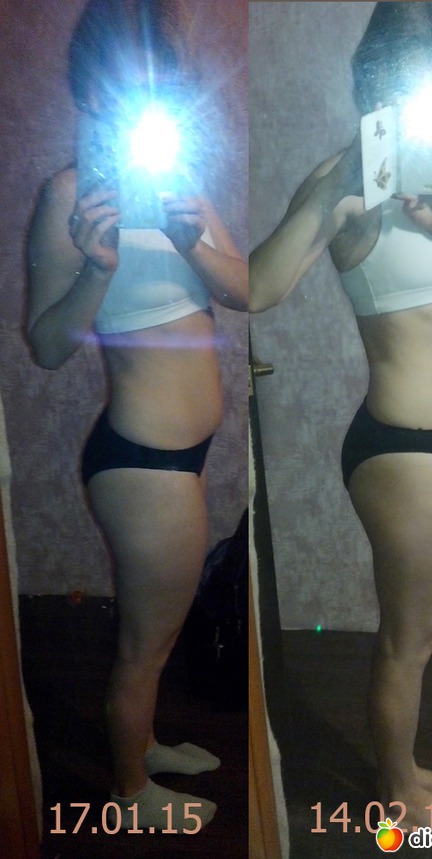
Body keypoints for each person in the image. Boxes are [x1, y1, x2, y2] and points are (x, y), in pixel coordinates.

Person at [250, 2, 432, 835]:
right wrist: (332, 194)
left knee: (415, 631)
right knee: (409, 639)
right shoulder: (338, 178)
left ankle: (405, 766)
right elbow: (259, 288)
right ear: (371, 78)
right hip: (399, 449)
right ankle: (397, 795)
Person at [26, 0, 247, 833]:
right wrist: (95, 267)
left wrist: (191, 240)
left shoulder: (181, 187)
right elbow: (47, 346)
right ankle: (127, 796)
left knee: (158, 629)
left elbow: (243, 290)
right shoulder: (68, 196)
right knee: (144, 643)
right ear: (91, 92)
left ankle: (144, 744)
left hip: (177, 460)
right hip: (141, 463)